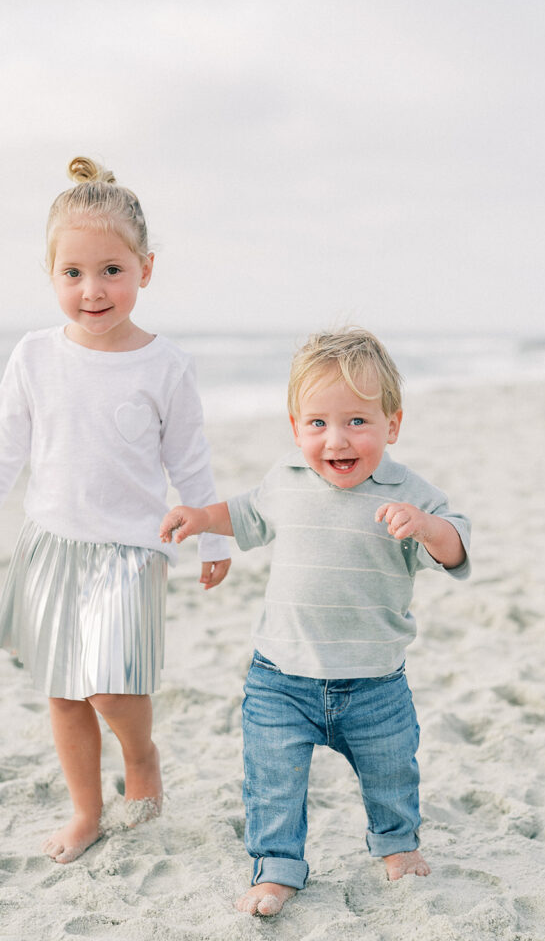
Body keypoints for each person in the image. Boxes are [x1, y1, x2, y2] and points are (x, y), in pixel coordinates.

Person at [0, 156, 231, 864]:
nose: (92, 290)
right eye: (73, 273)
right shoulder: (34, 357)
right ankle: (87, 810)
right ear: (51, 273)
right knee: (64, 694)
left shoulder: (166, 365)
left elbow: (189, 460)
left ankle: (143, 756)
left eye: (112, 271)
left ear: (145, 269)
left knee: (112, 690)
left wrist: (213, 537)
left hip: (132, 548)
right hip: (53, 546)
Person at [160, 328, 470, 916]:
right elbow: (246, 512)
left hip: (375, 682)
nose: (337, 439)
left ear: (392, 425)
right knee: (272, 779)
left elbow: (456, 546)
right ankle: (276, 868)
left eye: (357, 421)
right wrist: (201, 516)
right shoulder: (287, 480)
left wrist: (426, 527)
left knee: (392, 772)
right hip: (281, 677)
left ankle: (397, 846)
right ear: (296, 426)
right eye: (318, 424)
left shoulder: (410, 493)